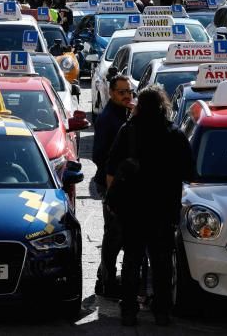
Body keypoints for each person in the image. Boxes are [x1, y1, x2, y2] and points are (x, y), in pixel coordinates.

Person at [106, 85, 194, 326]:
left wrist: (112, 200)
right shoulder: (174, 134)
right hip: (163, 209)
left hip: (132, 209)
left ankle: (129, 310)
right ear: (162, 105)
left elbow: (111, 166)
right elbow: (189, 170)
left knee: (132, 260)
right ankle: (162, 311)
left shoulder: (129, 131)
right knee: (162, 262)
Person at [93, 76, 133, 298]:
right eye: (121, 92)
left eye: (129, 91)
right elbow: (99, 155)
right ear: (111, 93)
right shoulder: (108, 118)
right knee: (114, 235)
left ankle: (105, 276)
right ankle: (106, 281)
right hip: (111, 186)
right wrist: (115, 176)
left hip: (123, 186)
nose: (127, 95)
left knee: (119, 234)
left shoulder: (124, 113)